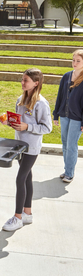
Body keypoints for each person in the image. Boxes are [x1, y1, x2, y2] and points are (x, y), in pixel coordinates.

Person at [1, 68, 52, 232]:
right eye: (22, 79)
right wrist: (9, 122)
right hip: (19, 145)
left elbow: (47, 127)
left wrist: (27, 126)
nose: (22, 83)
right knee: (27, 178)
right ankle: (27, 213)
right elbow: (19, 123)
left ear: (36, 83)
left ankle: (17, 218)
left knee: (20, 178)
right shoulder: (20, 100)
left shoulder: (41, 104)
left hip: (31, 147)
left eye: (26, 80)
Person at [53, 49, 83, 183]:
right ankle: (67, 170)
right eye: (73, 60)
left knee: (71, 145)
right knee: (65, 144)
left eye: (78, 61)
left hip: (77, 118)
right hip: (64, 116)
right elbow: (60, 96)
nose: (74, 63)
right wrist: (55, 115)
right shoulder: (66, 76)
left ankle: (70, 173)